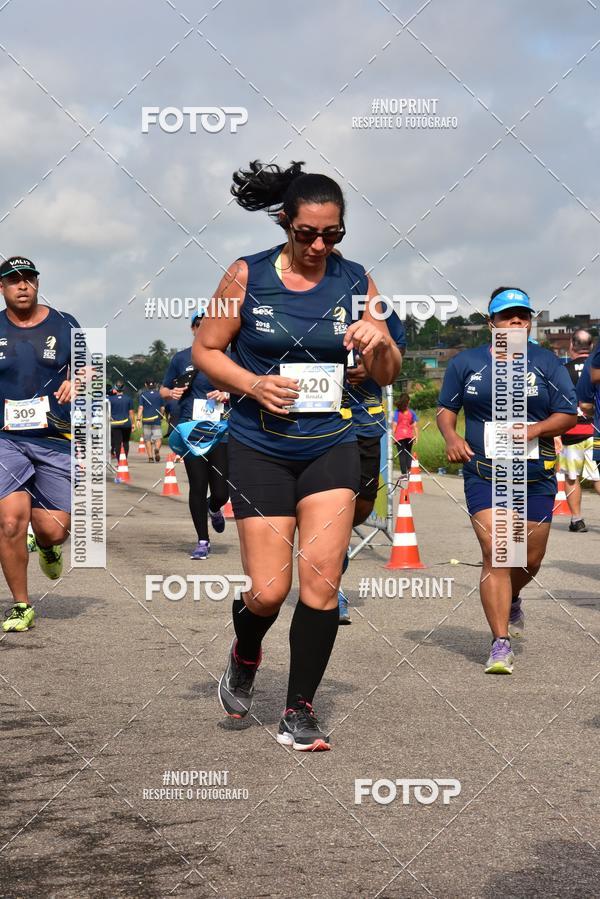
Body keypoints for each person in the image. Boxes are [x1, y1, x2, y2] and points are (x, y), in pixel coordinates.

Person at [194, 160, 401, 750]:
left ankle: (299, 711)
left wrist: (378, 341)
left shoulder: (358, 282)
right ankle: (245, 651)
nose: (318, 245)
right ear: (284, 222)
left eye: (331, 235)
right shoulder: (246, 275)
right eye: (306, 233)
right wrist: (252, 384)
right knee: (266, 591)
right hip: (258, 447)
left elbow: (385, 373)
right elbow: (207, 349)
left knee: (321, 583)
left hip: (329, 444)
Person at [437, 287, 577, 674]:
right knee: (500, 551)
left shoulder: (547, 363)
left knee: (529, 559)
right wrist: (451, 437)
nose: (516, 323)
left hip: (535, 477)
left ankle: (513, 594)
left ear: (529, 322)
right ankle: (500, 642)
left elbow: (567, 414)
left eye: (522, 317)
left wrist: (533, 430)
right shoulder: (466, 363)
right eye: (507, 317)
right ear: (491, 323)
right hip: (485, 473)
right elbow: (446, 411)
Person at [0, 256, 79, 633]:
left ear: (37, 283)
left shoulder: (65, 323)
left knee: (53, 529)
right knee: (10, 521)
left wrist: (81, 379)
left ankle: (47, 547)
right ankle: (21, 604)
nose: (22, 286)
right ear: (2, 288)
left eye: (28, 279)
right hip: (5, 440)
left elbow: (91, 366)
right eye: (13, 281)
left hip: (54, 438)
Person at [337, 310, 406, 624]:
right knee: (328, 512)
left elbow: (395, 359)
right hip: (317, 422)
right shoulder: (299, 300)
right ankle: (330, 586)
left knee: (361, 507)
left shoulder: (377, 308)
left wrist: (369, 367)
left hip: (364, 422)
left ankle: (332, 556)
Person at [161, 311, 230, 560]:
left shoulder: (228, 356)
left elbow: (244, 387)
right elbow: (164, 389)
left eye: (208, 324)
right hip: (192, 430)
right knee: (198, 486)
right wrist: (173, 393)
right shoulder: (181, 358)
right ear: (192, 328)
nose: (203, 328)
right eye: (198, 324)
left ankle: (215, 508)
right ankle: (202, 540)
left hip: (221, 431)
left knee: (222, 491)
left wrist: (227, 393)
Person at [558, 330, 600, 532]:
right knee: (598, 477)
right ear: (591, 346)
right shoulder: (596, 367)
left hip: (571, 431)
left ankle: (577, 520)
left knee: (572, 477)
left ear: (571, 346)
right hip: (596, 429)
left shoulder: (563, 370)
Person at [136, 378, 164, 462]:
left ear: (146, 385)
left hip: (146, 420)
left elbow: (141, 407)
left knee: (147, 439)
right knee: (158, 438)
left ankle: (150, 458)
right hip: (156, 419)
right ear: (155, 384)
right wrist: (161, 415)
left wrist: (138, 419)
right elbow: (162, 407)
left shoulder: (143, 395)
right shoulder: (159, 394)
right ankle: (157, 449)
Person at [393, 393, 419, 475]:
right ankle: (410, 471)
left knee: (401, 454)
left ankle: (404, 474)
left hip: (400, 436)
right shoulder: (412, 412)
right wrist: (416, 437)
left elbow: (394, 425)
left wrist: (392, 437)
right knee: (408, 453)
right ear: (409, 402)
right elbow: (415, 426)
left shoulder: (397, 412)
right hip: (409, 436)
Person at [108, 379, 134, 459]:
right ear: (124, 389)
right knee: (126, 442)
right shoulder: (129, 399)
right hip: (126, 424)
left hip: (115, 424)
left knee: (117, 443)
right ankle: (125, 459)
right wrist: (133, 424)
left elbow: (107, 412)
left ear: (115, 388)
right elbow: (131, 413)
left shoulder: (110, 399)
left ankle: (119, 461)